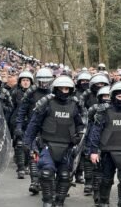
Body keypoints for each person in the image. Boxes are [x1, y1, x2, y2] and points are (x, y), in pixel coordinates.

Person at [25, 76, 84, 207]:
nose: (64, 91)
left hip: (67, 146)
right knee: (46, 172)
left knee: (64, 176)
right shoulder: (46, 103)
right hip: (47, 144)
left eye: (67, 89)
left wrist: (79, 134)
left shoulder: (74, 105)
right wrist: (27, 143)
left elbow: (80, 123)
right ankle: (47, 200)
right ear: (55, 89)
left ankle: (59, 201)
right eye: (61, 88)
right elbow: (34, 124)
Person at [16, 68, 53, 194]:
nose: (44, 83)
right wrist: (19, 126)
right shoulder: (31, 92)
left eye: (46, 81)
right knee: (34, 155)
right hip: (33, 127)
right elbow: (21, 111)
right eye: (42, 81)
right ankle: (35, 181)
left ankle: (50, 182)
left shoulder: (55, 91)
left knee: (50, 156)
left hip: (50, 129)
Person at [79, 73, 110, 196]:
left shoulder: (114, 107)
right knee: (88, 157)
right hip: (92, 133)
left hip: (109, 136)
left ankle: (100, 187)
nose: (100, 86)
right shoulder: (89, 99)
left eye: (103, 84)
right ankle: (88, 182)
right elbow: (84, 116)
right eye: (98, 84)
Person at [10, 71, 34, 179]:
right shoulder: (14, 92)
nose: (25, 82)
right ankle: (20, 168)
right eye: (23, 80)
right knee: (19, 144)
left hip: (31, 121)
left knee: (29, 145)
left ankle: (27, 165)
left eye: (27, 80)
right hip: (17, 121)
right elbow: (11, 107)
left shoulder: (34, 93)